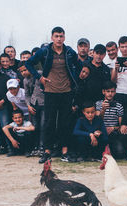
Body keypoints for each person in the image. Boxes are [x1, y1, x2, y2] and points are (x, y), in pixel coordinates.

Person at [25, 26, 81, 163]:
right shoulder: (45, 51)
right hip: (50, 92)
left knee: (65, 123)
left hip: (66, 92)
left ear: (64, 37)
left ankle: (65, 152)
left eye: (61, 36)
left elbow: (78, 65)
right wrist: (40, 78)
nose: (59, 39)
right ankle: (47, 152)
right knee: (48, 123)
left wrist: (73, 79)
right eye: (56, 36)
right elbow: (28, 63)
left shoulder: (69, 52)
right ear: (52, 38)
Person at [19, 61, 45, 156]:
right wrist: (29, 105)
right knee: (35, 126)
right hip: (33, 105)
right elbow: (27, 94)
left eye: (25, 70)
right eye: (21, 72)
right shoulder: (25, 80)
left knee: (43, 126)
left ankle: (42, 147)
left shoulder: (40, 74)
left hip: (44, 104)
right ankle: (35, 146)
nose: (24, 73)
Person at [96, 81, 125, 159]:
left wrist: (113, 128)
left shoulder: (119, 106)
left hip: (113, 133)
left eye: (112, 91)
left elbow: (120, 125)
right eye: (108, 91)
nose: (110, 94)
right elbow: (97, 121)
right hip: (101, 132)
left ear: (115, 92)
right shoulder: (98, 104)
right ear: (103, 92)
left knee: (120, 152)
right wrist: (103, 110)